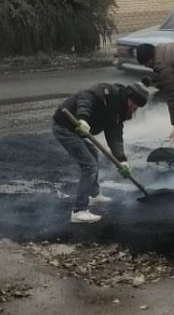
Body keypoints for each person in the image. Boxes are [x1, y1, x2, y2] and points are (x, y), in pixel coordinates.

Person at [52, 82, 149, 224]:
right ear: (129, 99)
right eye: (135, 105)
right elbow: (84, 97)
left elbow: (115, 137)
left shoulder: (118, 114)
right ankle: (79, 211)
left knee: (93, 154)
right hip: (64, 126)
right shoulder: (108, 92)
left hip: (74, 130)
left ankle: (94, 195)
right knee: (89, 166)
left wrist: (122, 160)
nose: (134, 110)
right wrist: (83, 119)